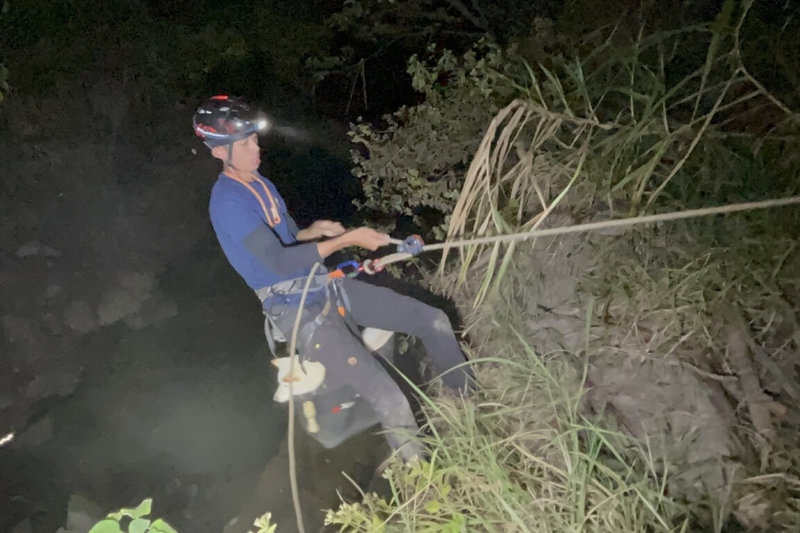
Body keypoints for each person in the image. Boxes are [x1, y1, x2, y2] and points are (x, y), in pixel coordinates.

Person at [192, 95, 473, 461]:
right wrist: (348, 239)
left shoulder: (259, 184)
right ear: (219, 152)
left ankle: (471, 406)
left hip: (324, 286)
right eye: (245, 143)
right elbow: (278, 261)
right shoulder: (228, 202)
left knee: (433, 320)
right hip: (299, 313)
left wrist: (316, 230)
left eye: (254, 139)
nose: (256, 148)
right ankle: (428, 484)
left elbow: (290, 240)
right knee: (389, 398)